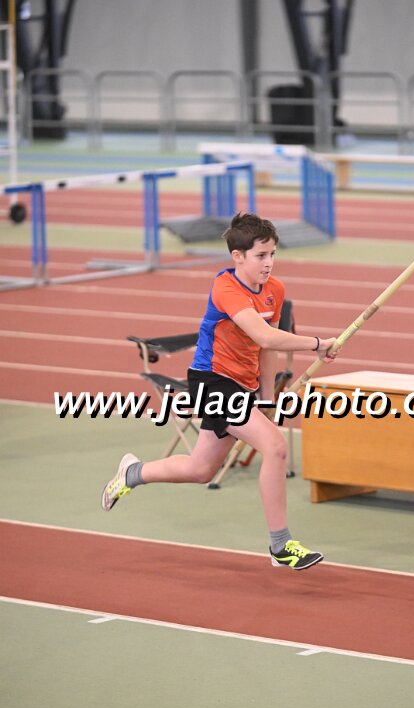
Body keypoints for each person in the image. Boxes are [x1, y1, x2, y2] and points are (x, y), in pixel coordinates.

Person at [102, 212, 337, 569]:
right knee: (275, 447)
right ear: (237, 256)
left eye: (273, 254)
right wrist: (318, 344)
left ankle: (133, 473)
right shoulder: (225, 288)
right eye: (261, 256)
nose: (269, 263)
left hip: (243, 384)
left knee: (201, 470)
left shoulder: (274, 289)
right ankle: (281, 546)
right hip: (211, 381)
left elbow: (267, 350)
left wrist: (267, 398)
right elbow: (264, 336)